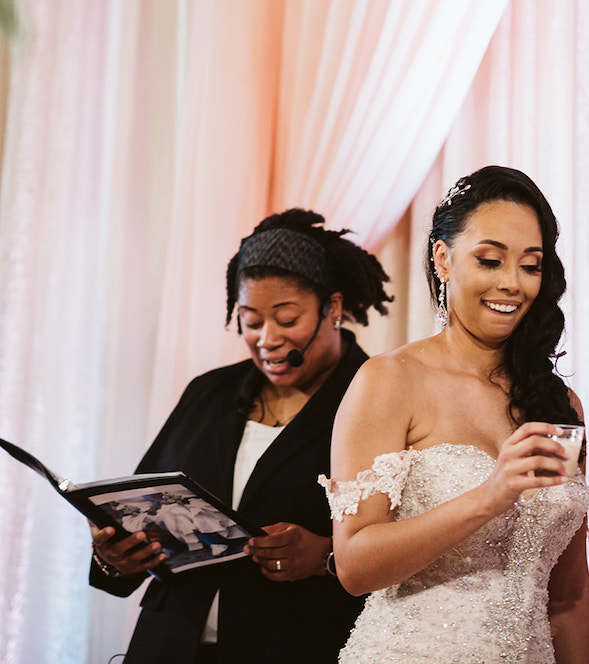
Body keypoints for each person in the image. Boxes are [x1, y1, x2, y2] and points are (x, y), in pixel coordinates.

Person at [89, 208, 392, 664]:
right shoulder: (209, 392)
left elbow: (411, 545)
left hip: (298, 643)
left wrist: (328, 556)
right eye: (251, 320)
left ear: (332, 308)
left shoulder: (378, 397)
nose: (266, 338)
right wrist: (115, 555)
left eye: (286, 319)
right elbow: (142, 504)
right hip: (170, 644)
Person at [323, 165, 589, 663]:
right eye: (490, 260)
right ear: (443, 260)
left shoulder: (560, 406)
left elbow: (571, 594)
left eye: (530, 266)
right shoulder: (389, 381)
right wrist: (489, 496)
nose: (512, 284)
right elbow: (355, 566)